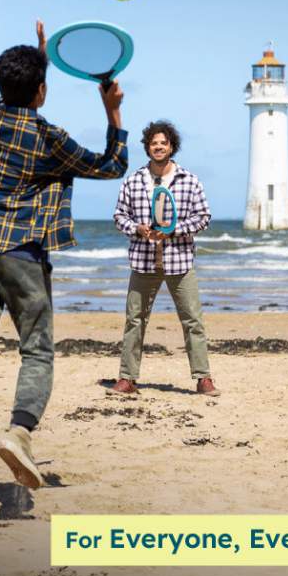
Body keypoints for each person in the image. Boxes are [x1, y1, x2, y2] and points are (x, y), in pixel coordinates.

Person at [0, 21, 128, 505]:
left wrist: (41, 57)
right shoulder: (51, 139)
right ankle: (18, 434)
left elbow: (18, 95)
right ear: (42, 90)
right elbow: (111, 166)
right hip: (23, 254)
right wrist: (112, 112)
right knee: (37, 349)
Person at [111, 120, 219, 397]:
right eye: (153, 143)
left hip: (180, 260)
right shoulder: (133, 180)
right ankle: (127, 378)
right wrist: (137, 228)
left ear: (172, 146)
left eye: (163, 143)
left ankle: (203, 378)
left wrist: (173, 231)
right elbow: (119, 216)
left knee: (193, 320)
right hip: (143, 261)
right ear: (147, 147)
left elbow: (203, 217)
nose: (158, 147)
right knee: (135, 320)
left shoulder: (189, 180)